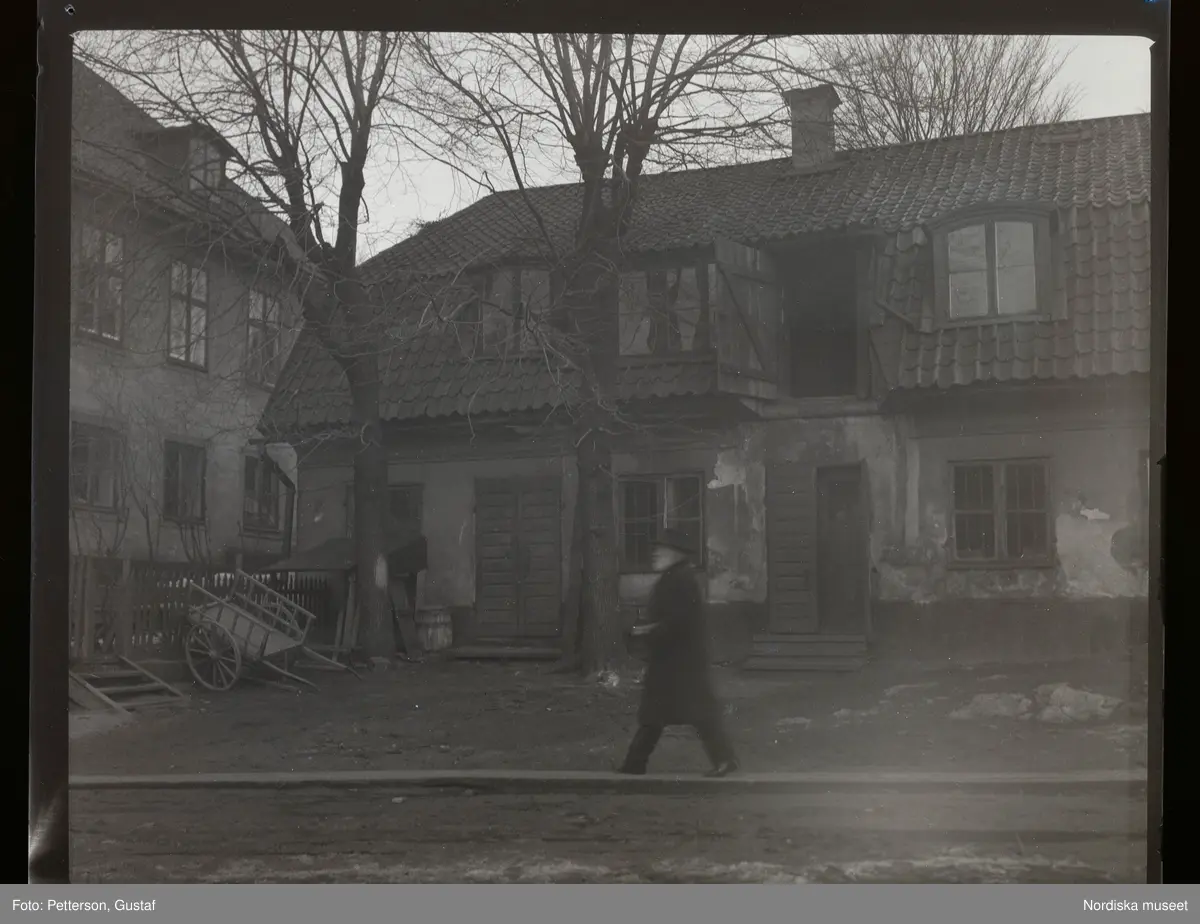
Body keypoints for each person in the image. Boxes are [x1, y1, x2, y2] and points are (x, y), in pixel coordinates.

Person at [617, 528, 740, 777]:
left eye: (661, 550)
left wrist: (649, 631)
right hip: (676, 662)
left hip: (679, 663)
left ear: (676, 553)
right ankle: (634, 765)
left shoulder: (680, 580)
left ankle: (634, 766)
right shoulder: (676, 577)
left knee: (674, 715)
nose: (655, 554)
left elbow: (680, 621)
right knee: (672, 715)